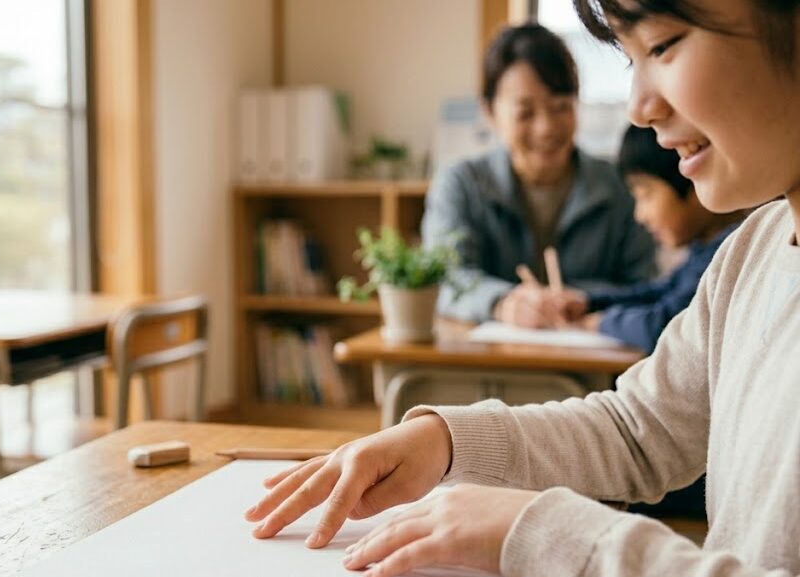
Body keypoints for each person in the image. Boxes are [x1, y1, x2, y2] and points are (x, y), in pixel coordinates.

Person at [245, 1, 800, 576]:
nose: (639, 109)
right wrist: (449, 440)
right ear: (492, 112)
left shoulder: (623, 193)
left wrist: (543, 531)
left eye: (663, 46)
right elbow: (639, 429)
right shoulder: (752, 248)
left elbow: (638, 289)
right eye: (631, 61)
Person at [422, 23, 655, 329]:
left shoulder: (619, 186)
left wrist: (582, 298)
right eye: (525, 113)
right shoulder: (460, 184)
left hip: (597, 370)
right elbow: (447, 280)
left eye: (560, 107)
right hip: (487, 367)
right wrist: (503, 303)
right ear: (489, 112)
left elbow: (645, 285)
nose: (546, 128)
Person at [561, 124, 745, 354]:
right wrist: (589, 303)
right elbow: (659, 292)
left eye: (646, 194)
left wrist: (600, 322)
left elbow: (664, 325)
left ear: (692, 179)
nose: (640, 215)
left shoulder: (731, 250)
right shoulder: (704, 248)